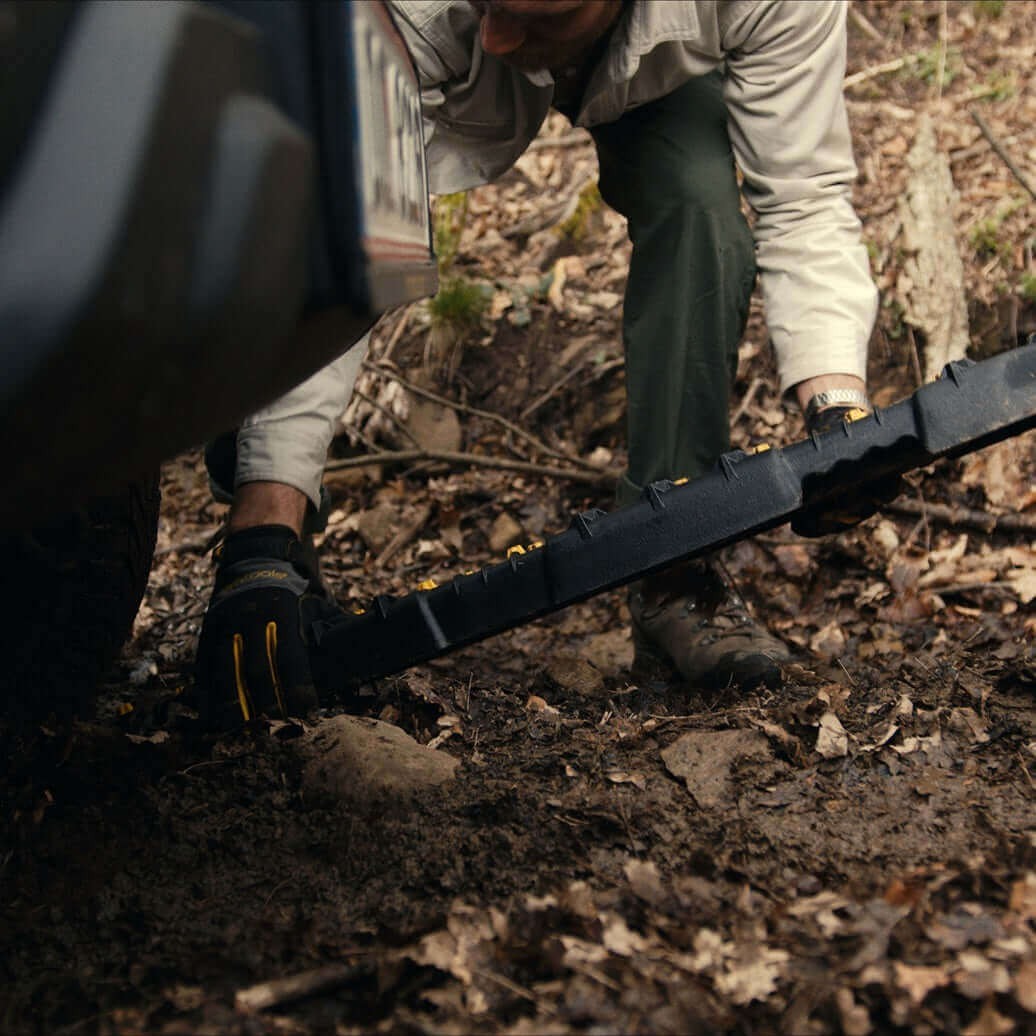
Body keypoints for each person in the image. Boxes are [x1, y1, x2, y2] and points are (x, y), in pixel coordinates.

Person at [195, 0, 878, 727]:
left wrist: (838, 407)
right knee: (306, 266)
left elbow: (805, 197)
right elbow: (346, 209)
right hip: (414, 62)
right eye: (496, 6)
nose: (499, 36)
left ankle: (677, 569)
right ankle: (276, 529)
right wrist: (261, 533)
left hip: (664, 74)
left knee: (701, 209)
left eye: (535, 15)